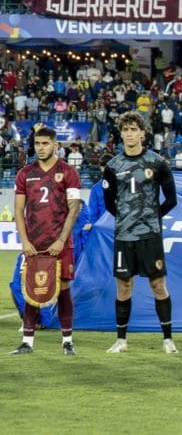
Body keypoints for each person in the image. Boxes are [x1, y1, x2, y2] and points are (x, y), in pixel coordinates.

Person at [102, 111, 179, 354]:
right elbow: (109, 203)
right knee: (123, 287)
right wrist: (127, 220)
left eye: (134, 129)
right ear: (121, 134)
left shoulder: (157, 163)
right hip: (124, 237)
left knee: (158, 285)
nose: (129, 134)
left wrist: (151, 219)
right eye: (125, 130)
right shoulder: (113, 166)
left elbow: (172, 199)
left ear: (142, 133)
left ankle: (167, 339)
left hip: (150, 236)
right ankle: (121, 340)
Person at [10, 127, 82, 355]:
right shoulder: (24, 173)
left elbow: (74, 209)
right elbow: (18, 209)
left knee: (63, 288)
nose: (40, 148)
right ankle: (27, 342)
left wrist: (61, 240)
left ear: (55, 145)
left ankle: (67, 341)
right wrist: (24, 241)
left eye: (45, 143)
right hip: (35, 243)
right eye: (37, 144)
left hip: (60, 243)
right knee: (32, 287)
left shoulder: (68, 172)